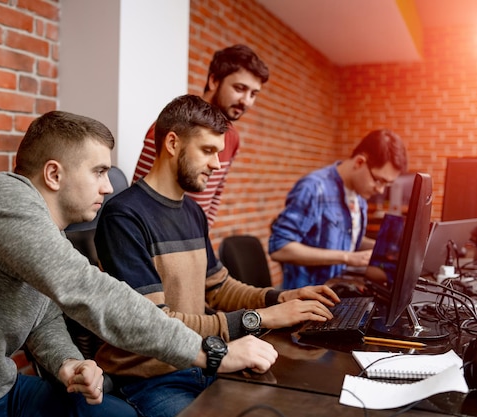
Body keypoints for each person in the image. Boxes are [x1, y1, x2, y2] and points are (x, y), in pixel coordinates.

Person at [0, 111, 278, 417]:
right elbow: (87, 289)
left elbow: (44, 318)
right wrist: (211, 351)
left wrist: (68, 362)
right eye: (99, 172)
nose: (108, 187)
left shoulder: (47, 234)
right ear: (54, 174)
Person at [94, 95, 339, 417]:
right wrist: (260, 319)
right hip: (150, 377)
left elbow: (219, 287)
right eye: (208, 150)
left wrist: (280, 298)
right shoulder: (124, 217)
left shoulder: (192, 211)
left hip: (206, 359)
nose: (216, 163)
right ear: (172, 143)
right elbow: (156, 325)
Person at [132, 44, 269, 226]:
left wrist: (203, 235)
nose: (246, 101)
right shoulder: (172, 125)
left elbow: (216, 195)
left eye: (253, 94)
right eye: (239, 88)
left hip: (194, 239)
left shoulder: (233, 138)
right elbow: (139, 193)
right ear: (214, 80)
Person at [268, 129, 408, 290]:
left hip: (337, 291)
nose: (381, 190)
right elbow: (279, 248)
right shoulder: (313, 188)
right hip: (305, 299)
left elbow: (349, 239)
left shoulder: (359, 194)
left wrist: (387, 250)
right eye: (379, 181)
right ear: (360, 163)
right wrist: (347, 257)